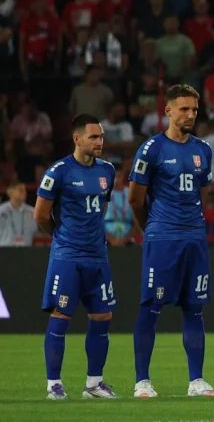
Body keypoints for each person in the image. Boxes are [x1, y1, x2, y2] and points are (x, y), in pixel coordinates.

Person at [129, 84, 214, 397]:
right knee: (151, 306)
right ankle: (142, 381)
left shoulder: (202, 150)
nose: (191, 115)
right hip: (163, 238)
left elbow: (202, 195)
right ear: (168, 111)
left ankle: (196, 381)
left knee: (194, 308)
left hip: (195, 238)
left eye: (195, 109)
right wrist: (153, 229)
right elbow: (135, 199)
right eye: (184, 109)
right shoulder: (151, 149)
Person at [33, 115, 118, 399]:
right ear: (77, 139)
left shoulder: (108, 170)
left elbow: (102, 210)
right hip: (68, 256)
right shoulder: (58, 172)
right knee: (61, 316)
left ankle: (94, 384)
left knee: (102, 316)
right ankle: (53, 384)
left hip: (98, 257)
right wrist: (63, 236)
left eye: (101, 136)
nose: (99, 142)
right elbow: (41, 216)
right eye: (94, 137)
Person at [0, 182, 37, 246]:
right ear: (10, 193)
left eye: (25, 190)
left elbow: (35, 231)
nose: (24, 193)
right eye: (20, 190)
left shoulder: (32, 212)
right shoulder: (1, 211)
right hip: (5, 251)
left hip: (26, 251)